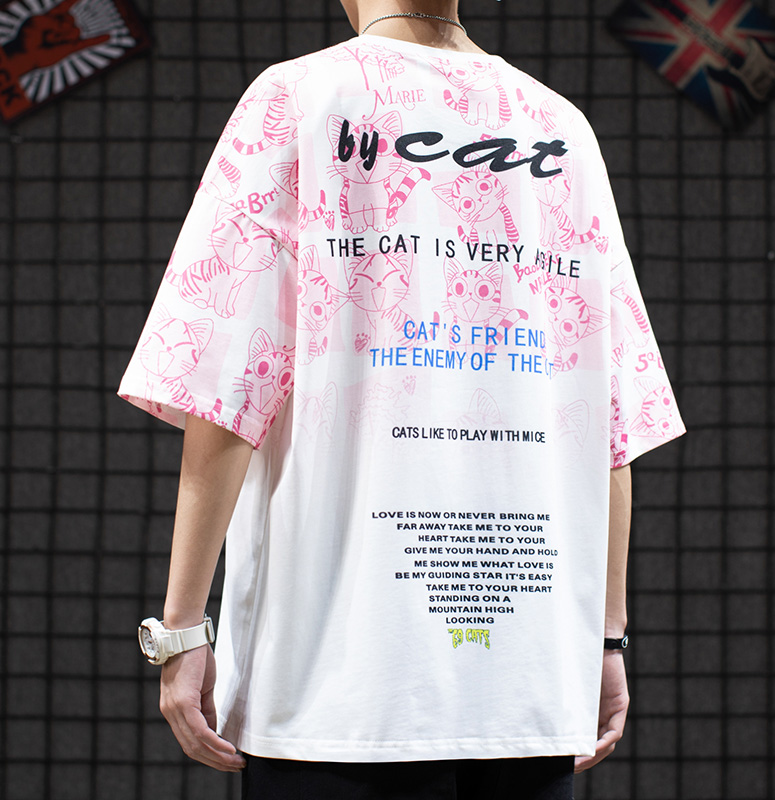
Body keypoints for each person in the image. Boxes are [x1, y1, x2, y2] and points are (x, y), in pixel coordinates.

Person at [119, 1, 686, 797]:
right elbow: (607, 418)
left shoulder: (296, 98)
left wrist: (181, 630)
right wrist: (606, 638)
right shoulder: (562, 128)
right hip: (525, 682)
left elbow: (228, 383)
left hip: (333, 690)